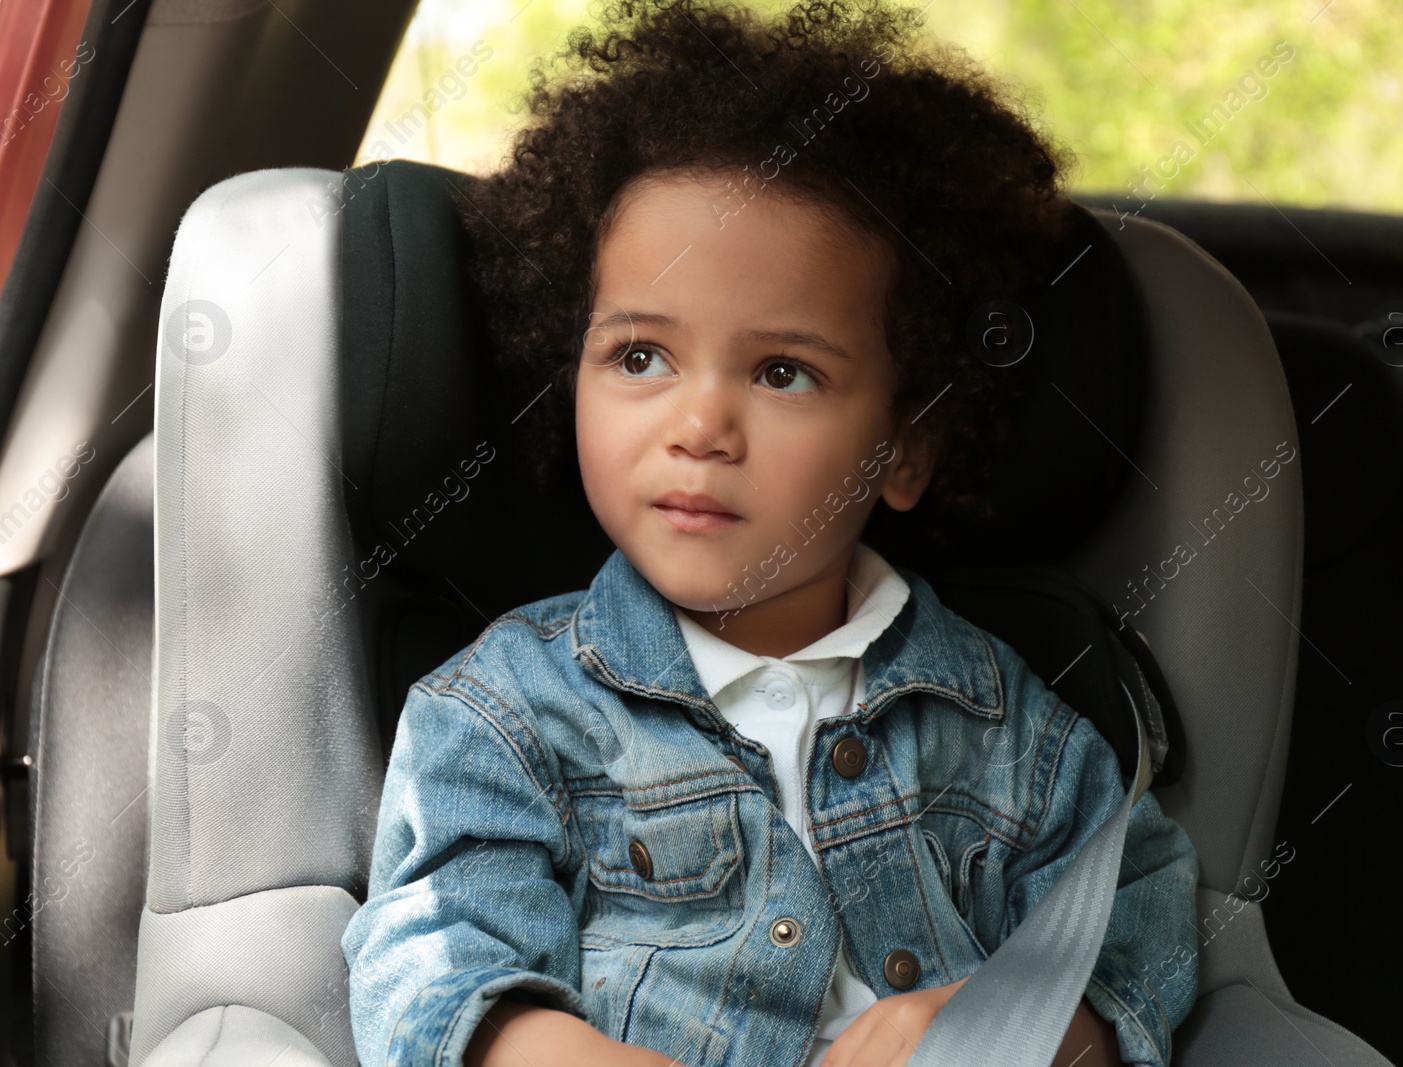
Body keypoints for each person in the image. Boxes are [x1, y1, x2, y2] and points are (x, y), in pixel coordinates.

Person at [340, 1, 1199, 1065]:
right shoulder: (507, 711)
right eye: (640, 356)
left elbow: (1140, 923)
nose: (698, 426)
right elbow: (434, 957)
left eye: (782, 372)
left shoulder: (1005, 720)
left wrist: (1017, 1022)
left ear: (904, 451)